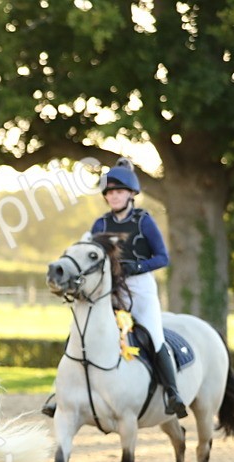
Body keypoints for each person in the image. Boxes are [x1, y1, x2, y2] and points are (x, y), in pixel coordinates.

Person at [42, 157, 187, 418]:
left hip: (140, 288)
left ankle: (172, 393)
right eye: (110, 192)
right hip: (107, 288)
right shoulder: (100, 225)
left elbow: (162, 257)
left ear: (131, 194)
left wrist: (136, 267)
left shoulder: (144, 221)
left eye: (119, 192)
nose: (114, 196)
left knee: (153, 335)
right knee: (79, 332)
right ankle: (58, 392)